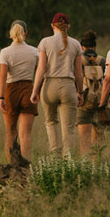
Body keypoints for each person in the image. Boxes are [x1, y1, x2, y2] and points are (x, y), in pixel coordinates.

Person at [30, 12, 84, 157]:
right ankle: (68, 160)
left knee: (51, 122)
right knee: (69, 128)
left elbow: (41, 68)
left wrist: (35, 91)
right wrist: (80, 92)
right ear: (68, 26)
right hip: (68, 86)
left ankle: (55, 157)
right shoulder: (76, 44)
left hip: (49, 86)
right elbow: (79, 73)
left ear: (52, 25)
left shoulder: (45, 42)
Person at [0, 20, 39, 165]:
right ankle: (26, 166)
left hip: (10, 91)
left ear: (11, 34)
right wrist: (38, 90)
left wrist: (0, 97)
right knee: (25, 134)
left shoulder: (5, 52)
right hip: (28, 89)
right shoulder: (34, 51)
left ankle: (11, 165)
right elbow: (41, 72)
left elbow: (2, 76)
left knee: (10, 132)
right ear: (26, 33)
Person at [77, 29, 110, 154]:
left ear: (82, 47)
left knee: (84, 141)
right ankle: (97, 163)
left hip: (83, 103)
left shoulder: (78, 60)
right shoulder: (102, 61)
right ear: (95, 46)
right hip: (100, 103)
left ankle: (86, 166)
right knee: (99, 140)